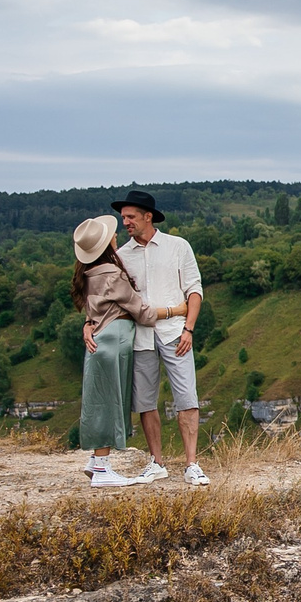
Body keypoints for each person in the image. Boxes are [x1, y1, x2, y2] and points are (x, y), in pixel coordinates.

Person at [71, 214, 185, 486]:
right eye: (110, 235)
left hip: (101, 337)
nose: (115, 235)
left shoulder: (89, 273)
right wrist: (176, 310)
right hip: (114, 340)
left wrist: (88, 324)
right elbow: (141, 312)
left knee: (101, 398)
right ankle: (101, 467)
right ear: (105, 244)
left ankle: (96, 460)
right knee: (109, 401)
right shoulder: (112, 274)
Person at [111, 188, 211, 485]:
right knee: (144, 401)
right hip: (139, 337)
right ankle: (156, 462)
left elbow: (194, 289)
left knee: (187, 398)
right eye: (123, 217)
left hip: (175, 333)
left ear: (147, 216)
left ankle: (192, 464)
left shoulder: (177, 246)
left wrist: (189, 329)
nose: (125, 222)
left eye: (130, 217)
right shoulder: (121, 256)